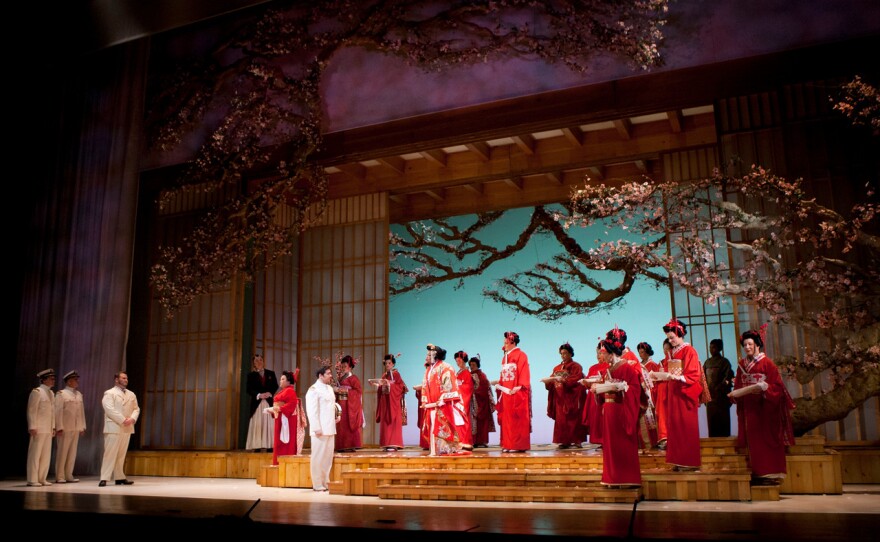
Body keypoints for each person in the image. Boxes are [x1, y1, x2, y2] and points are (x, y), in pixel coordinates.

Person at [730, 328, 796, 485]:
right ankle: (756, 472)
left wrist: (765, 387)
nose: (747, 347)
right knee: (752, 440)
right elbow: (738, 384)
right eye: (745, 345)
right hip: (748, 407)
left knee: (766, 439)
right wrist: (736, 394)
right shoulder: (741, 365)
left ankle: (769, 473)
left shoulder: (768, 364)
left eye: (750, 344)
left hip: (765, 408)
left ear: (757, 344)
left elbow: (777, 387)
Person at [594, 329, 645, 488]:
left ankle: (626, 477)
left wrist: (621, 388)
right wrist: (598, 390)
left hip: (621, 410)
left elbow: (635, 389)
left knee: (623, 445)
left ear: (611, 353)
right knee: (610, 446)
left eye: (604, 353)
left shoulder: (627, 368)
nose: (602, 357)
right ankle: (612, 478)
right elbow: (603, 390)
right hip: (609, 410)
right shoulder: (607, 370)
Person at [653, 318, 703, 471]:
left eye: (672, 337)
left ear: (680, 334)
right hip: (673, 392)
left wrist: (678, 377)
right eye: (669, 338)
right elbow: (669, 371)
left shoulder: (689, 351)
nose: (670, 340)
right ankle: (678, 460)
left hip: (683, 392)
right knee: (674, 427)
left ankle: (688, 461)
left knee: (685, 427)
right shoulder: (671, 352)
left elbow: (694, 373)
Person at [420, 344, 470, 456]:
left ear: (435, 355)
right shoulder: (428, 370)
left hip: (443, 404)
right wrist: (424, 401)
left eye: (429, 354)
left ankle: (445, 450)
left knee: (441, 427)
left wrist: (442, 399)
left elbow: (449, 386)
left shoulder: (446, 367)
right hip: (431, 404)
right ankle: (434, 451)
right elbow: (424, 386)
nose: (426, 357)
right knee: (432, 426)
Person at [99, 371, 140, 486]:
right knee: (110, 453)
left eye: (126, 378)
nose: (126, 380)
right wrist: (123, 420)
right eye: (123, 378)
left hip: (127, 427)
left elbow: (136, 408)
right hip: (114, 426)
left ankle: (119, 476)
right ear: (116, 379)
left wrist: (132, 419)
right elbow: (109, 409)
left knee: (121, 454)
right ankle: (104, 477)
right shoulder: (109, 393)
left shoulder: (131, 394)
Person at [544, 342, 587, 449]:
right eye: (561, 353)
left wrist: (563, 380)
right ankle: (563, 441)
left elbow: (576, 379)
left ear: (571, 354)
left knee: (574, 419)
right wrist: (548, 382)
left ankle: (577, 440)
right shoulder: (557, 368)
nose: (563, 355)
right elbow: (551, 379)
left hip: (572, 396)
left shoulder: (576, 366)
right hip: (560, 397)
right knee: (561, 420)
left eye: (565, 353)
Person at [306, 366, 340, 492]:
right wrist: (316, 428)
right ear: (321, 375)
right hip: (320, 429)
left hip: (330, 427)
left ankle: (325, 481)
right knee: (318, 457)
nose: (331, 375)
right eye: (328, 374)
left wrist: (336, 416)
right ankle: (317, 483)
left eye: (330, 373)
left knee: (327, 457)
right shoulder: (313, 390)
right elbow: (312, 410)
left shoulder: (329, 388)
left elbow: (332, 405)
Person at [496, 331, 531, 453]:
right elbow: (503, 375)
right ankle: (508, 444)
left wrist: (521, 386)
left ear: (513, 342)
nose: (504, 344)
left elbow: (524, 371)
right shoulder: (504, 357)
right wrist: (500, 385)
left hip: (516, 391)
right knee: (507, 419)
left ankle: (518, 445)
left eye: (506, 341)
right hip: (506, 392)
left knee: (517, 419)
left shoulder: (521, 355)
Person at [54, 370, 86, 483]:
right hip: (65, 427)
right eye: (75, 380)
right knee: (63, 452)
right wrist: (59, 427)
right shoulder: (61, 394)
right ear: (68, 382)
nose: (77, 382)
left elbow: (81, 412)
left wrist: (82, 426)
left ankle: (68, 474)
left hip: (75, 427)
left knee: (72, 453)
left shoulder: (78, 394)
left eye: (77, 379)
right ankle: (60, 476)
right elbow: (58, 412)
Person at [26, 368, 56, 487]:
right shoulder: (37, 392)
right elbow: (31, 410)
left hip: (48, 428)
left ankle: (42, 478)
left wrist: (53, 427)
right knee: (35, 454)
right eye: (51, 379)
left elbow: (52, 412)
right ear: (44, 380)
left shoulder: (51, 393)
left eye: (53, 378)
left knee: (45, 454)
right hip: (38, 428)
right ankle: (32, 479)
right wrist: (32, 426)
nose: (53, 380)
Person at [373, 353, 408, 451]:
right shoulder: (384, 375)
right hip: (385, 401)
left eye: (389, 363)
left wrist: (390, 385)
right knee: (385, 423)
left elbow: (400, 387)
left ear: (393, 364)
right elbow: (382, 388)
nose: (387, 365)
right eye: (386, 363)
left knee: (393, 422)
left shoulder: (396, 374)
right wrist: (379, 386)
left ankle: (394, 443)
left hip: (393, 402)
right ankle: (386, 443)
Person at [246, 353, 279, 451]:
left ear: (263, 361)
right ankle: (257, 446)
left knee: (269, 424)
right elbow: (248, 389)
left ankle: (270, 446)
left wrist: (270, 393)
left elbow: (275, 385)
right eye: (256, 361)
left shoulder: (271, 373)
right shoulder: (250, 375)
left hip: (269, 402)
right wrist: (259, 395)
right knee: (258, 424)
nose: (259, 362)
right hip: (257, 404)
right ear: (253, 364)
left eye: (260, 360)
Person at [579, 343, 610, 449]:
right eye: (597, 353)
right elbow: (588, 381)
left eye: (601, 353)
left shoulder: (609, 366)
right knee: (595, 420)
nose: (598, 355)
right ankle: (599, 441)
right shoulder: (593, 367)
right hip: (593, 397)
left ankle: (606, 440)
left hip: (604, 396)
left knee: (603, 419)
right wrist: (585, 383)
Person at [704, 339, 735, 437]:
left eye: (714, 347)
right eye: (710, 347)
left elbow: (727, 378)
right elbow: (703, 378)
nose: (711, 349)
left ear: (719, 348)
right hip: (710, 399)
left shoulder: (724, 362)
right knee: (712, 425)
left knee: (723, 424)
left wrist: (718, 388)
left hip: (721, 399)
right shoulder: (707, 362)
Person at [271, 369, 302, 465]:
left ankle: (285, 463)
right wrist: (274, 409)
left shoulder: (290, 391)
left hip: (287, 420)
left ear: (288, 381)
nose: (280, 381)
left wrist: (279, 409)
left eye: (283, 379)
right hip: (281, 417)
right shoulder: (285, 391)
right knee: (280, 442)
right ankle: (279, 463)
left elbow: (292, 404)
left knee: (285, 442)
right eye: (281, 379)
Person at [334, 355, 364, 452]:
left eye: (345, 366)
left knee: (348, 425)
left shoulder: (354, 378)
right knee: (341, 426)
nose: (343, 368)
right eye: (342, 366)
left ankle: (350, 445)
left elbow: (358, 392)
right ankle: (341, 445)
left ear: (350, 367)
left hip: (349, 406)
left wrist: (345, 391)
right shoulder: (341, 378)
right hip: (341, 404)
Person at [636, 342, 660, 450]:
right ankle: (643, 444)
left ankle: (653, 443)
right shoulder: (638, 365)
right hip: (640, 394)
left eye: (642, 352)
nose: (641, 354)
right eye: (639, 352)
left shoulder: (653, 365)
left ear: (647, 352)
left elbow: (656, 381)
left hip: (650, 394)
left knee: (651, 420)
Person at [468, 356, 495, 448]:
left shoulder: (482, 375)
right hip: (473, 401)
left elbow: (484, 387)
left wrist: (474, 392)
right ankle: (474, 441)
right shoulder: (469, 374)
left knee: (482, 423)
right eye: (470, 365)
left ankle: (482, 441)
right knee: (474, 422)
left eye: (473, 365)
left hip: (481, 401)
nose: (472, 367)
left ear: (477, 365)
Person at [454, 350, 474, 450]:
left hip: (463, 398)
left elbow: (468, 387)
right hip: (458, 398)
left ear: (463, 360)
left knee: (463, 419)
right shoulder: (459, 372)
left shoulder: (466, 372)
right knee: (458, 420)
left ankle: (465, 441)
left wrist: (458, 389)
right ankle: (460, 440)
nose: (457, 363)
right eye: (456, 361)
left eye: (459, 361)